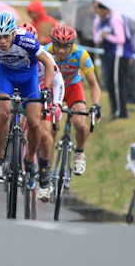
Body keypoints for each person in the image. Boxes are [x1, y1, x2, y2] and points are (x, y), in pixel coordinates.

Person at [0, 11, 54, 191]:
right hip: (5, 75)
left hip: (28, 77)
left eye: (6, 36)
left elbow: (48, 63)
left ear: (14, 33)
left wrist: (46, 89)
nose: (2, 41)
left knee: (35, 123)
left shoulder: (26, 40)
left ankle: (29, 161)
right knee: (2, 113)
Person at [43, 24, 100, 184]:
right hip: (53, 88)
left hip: (73, 87)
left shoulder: (81, 54)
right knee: (51, 132)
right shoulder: (46, 52)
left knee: (80, 124)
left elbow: (94, 84)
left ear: (72, 45)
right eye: (57, 46)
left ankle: (80, 152)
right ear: (52, 43)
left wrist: (96, 104)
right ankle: (46, 172)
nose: (61, 51)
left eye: (66, 46)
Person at [20, 22, 65, 202]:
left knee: (46, 135)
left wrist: (56, 104)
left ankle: (44, 172)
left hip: (39, 94)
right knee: (17, 121)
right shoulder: (9, 53)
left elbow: (58, 81)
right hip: (21, 93)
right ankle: (17, 154)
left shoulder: (43, 56)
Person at [93, 2, 133, 119]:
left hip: (119, 54)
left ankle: (121, 112)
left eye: (98, 8)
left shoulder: (115, 18)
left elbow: (121, 39)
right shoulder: (104, 20)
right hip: (110, 54)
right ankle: (115, 109)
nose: (96, 11)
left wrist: (106, 36)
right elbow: (97, 39)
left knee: (116, 84)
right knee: (111, 83)